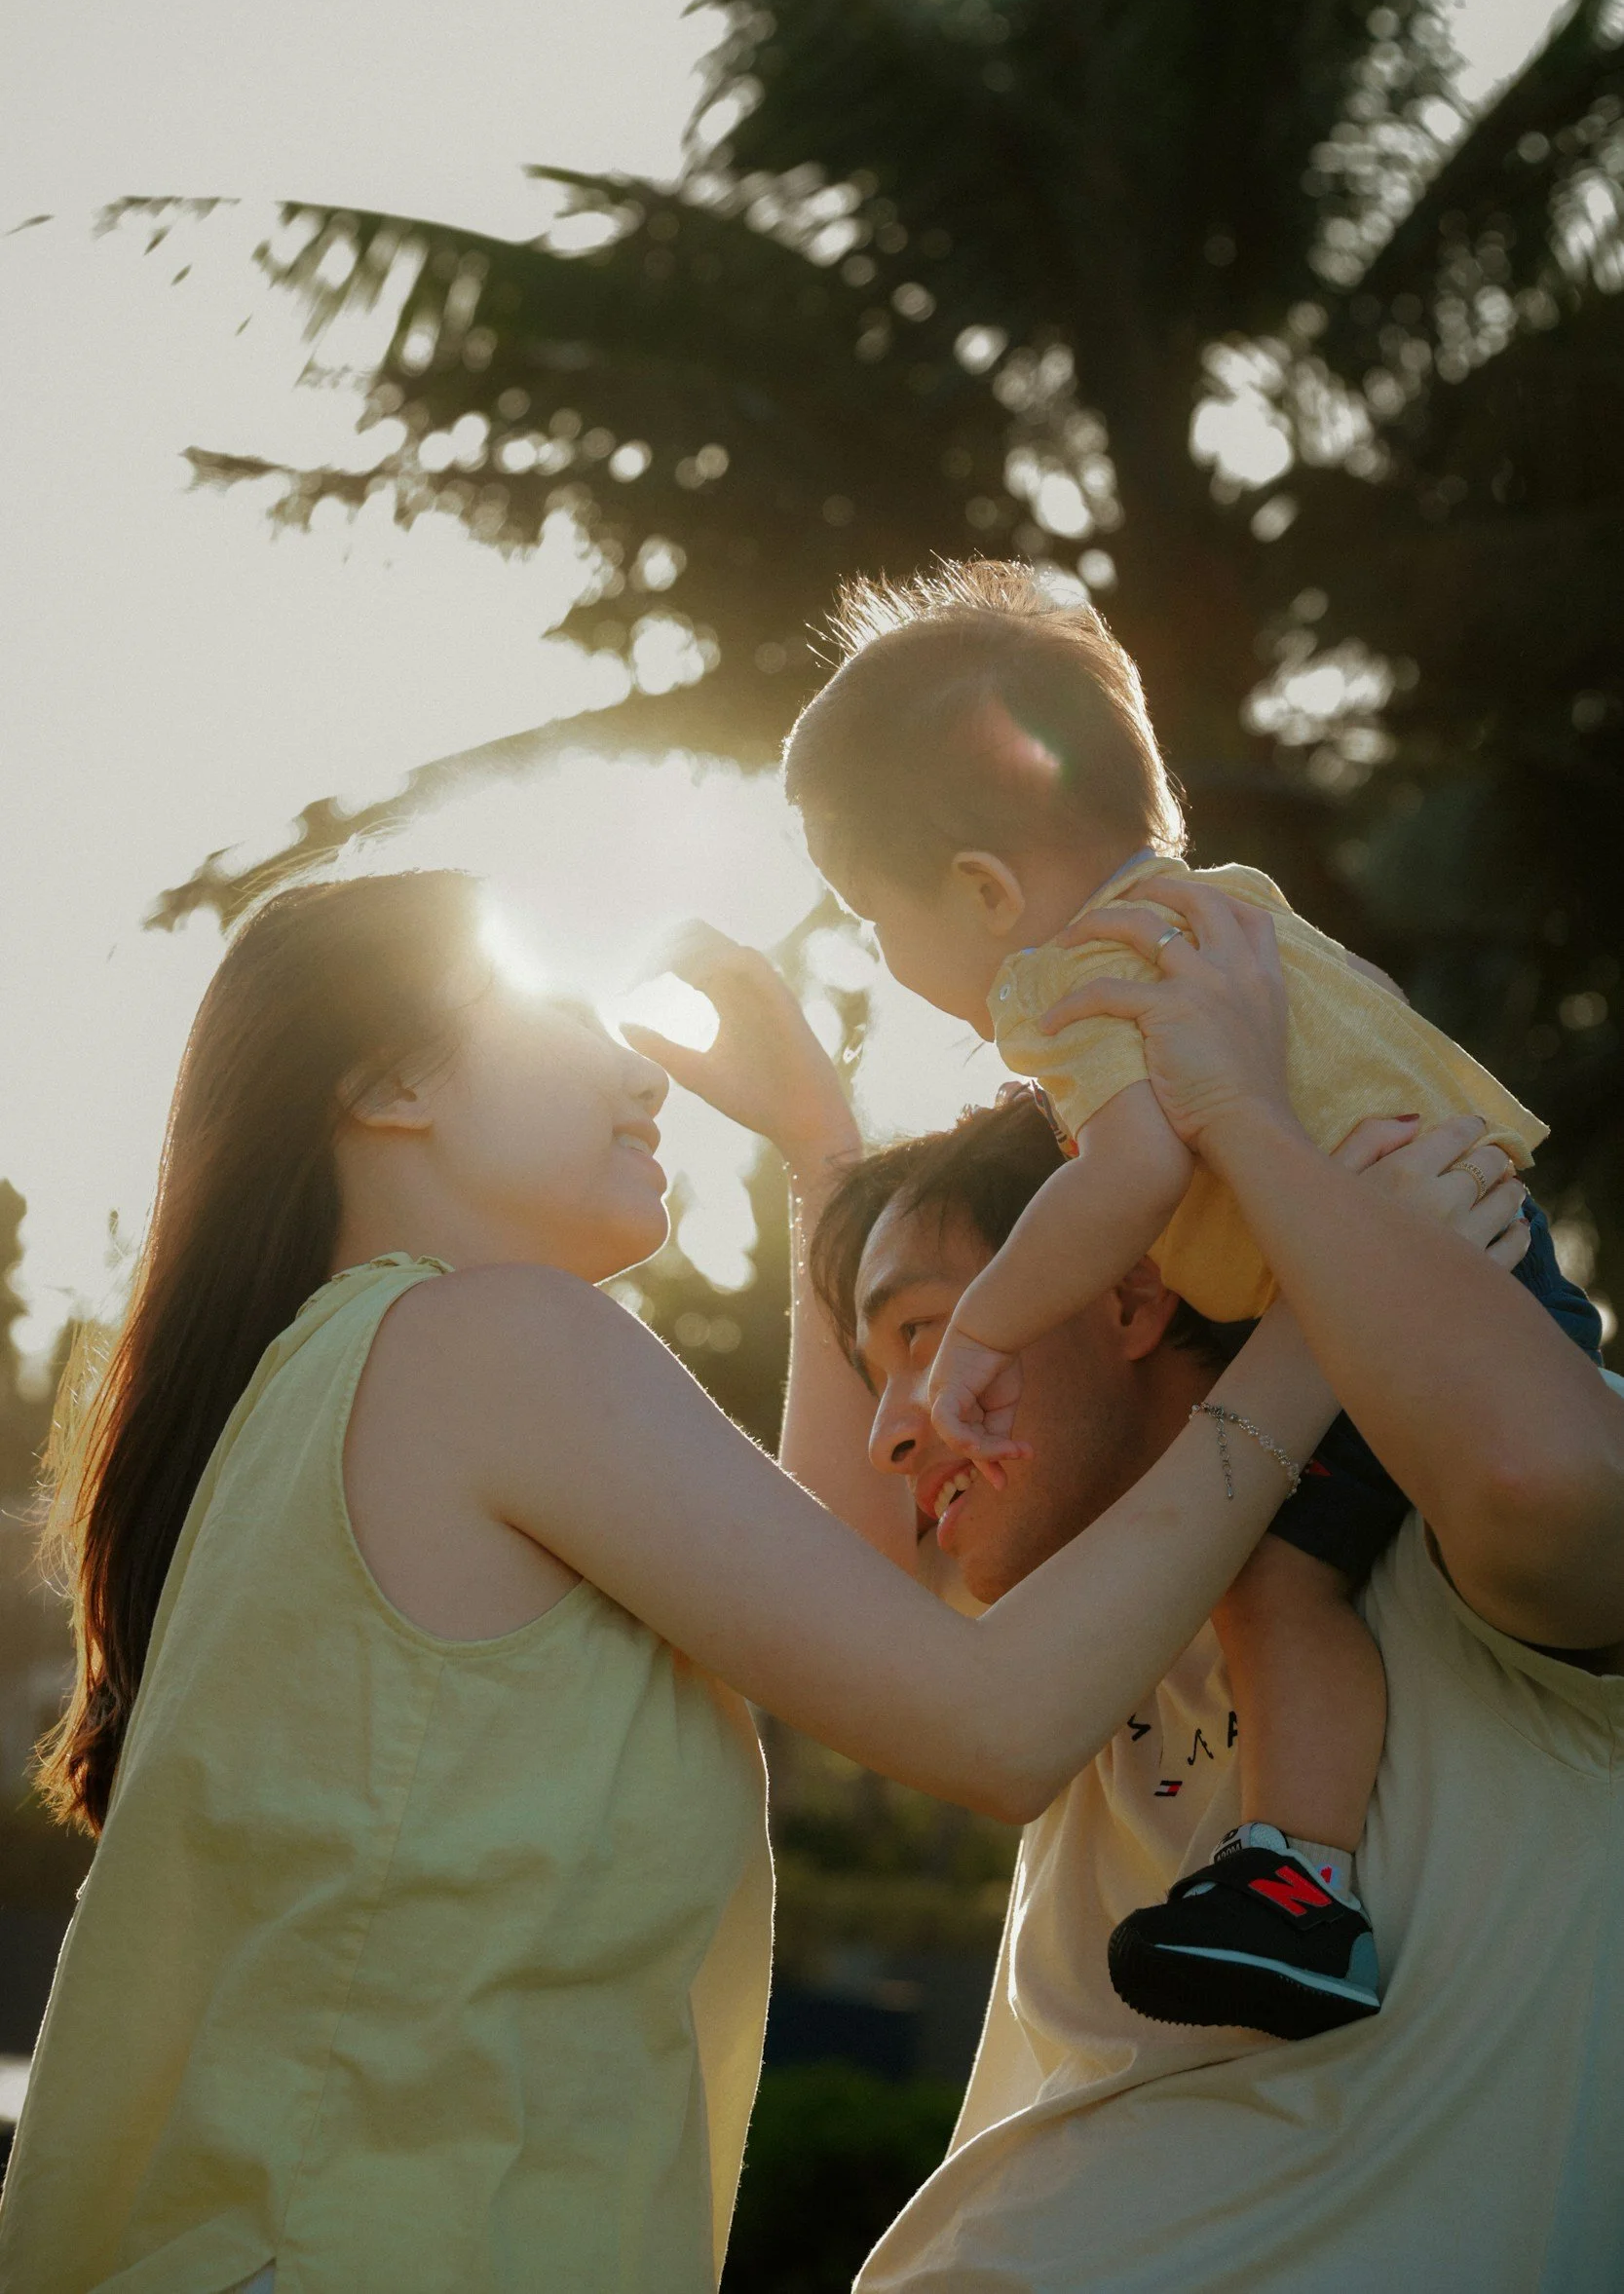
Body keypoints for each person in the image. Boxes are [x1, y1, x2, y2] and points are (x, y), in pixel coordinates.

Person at [2, 869, 1406, 2294]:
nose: (640, 1073)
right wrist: (1320, 1318)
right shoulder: (489, 1342)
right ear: (390, 1080)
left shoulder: (331, 1386)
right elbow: (991, 1724)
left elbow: (844, 1601)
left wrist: (819, 1150)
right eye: (561, 1012)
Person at [638, 893, 1624, 2293]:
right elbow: (837, 1604)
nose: (893, 1431)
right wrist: (819, 1151)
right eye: (881, 1371)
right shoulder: (1075, 1644)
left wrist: (1285, 1173)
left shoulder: (1448, 1536)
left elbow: (1558, 1492)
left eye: (928, 1334)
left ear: (1125, 1294)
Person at [779, 558, 1603, 2037]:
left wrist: (987, 1326)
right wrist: (810, 1148)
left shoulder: (1084, 989)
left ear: (981, 892)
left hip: (1434, 1310)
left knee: (1279, 1586)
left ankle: (1294, 1881)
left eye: (866, 915)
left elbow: (1129, 1174)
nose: (878, 957)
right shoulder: (1227, 912)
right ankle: (1292, 1873)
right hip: (1464, 1267)